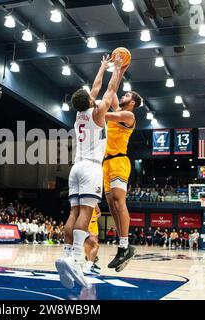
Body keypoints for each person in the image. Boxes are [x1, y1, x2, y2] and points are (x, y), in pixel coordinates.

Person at [55, 53, 126, 289]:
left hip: (75, 168)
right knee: (85, 212)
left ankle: (66, 253)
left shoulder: (79, 115)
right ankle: (75, 258)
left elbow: (96, 88)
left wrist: (101, 68)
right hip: (91, 168)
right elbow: (109, 89)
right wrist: (116, 69)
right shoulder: (98, 113)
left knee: (74, 212)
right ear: (88, 100)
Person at [103, 71, 142, 270]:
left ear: (133, 102)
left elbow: (104, 112)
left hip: (119, 161)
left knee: (119, 201)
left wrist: (92, 105)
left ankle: (124, 246)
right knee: (110, 206)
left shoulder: (128, 115)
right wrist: (118, 69)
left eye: (128, 95)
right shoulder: (120, 108)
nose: (124, 95)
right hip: (106, 162)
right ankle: (123, 246)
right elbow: (112, 90)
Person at [84, 204, 101, 275]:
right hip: (86, 225)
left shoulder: (94, 202)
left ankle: (91, 264)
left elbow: (99, 213)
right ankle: (88, 266)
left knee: (93, 245)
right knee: (93, 246)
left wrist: (95, 216)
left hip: (94, 225)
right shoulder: (83, 203)